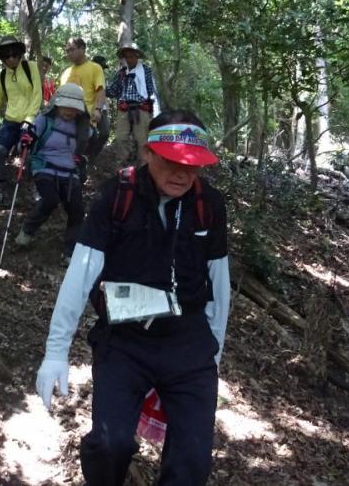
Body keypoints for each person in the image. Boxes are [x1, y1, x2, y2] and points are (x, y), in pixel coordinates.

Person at [35, 110, 230, 485]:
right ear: (147, 153)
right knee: (109, 445)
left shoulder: (209, 205)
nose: (182, 174)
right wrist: (55, 351)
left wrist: (214, 352)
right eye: (172, 161)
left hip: (189, 344)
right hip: (125, 339)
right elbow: (82, 272)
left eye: (193, 166)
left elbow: (218, 283)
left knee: (191, 464)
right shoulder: (118, 195)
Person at [14, 83, 91, 261]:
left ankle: (70, 251)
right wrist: (26, 141)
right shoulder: (44, 119)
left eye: (74, 108)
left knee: (77, 210)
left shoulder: (81, 126)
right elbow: (25, 144)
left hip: (69, 171)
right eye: (66, 106)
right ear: (57, 103)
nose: (70, 111)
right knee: (50, 200)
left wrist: (81, 160)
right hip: (44, 165)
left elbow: (83, 148)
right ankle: (27, 231)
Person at [0, 36, 42, 206]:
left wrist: (30, 119)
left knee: (25, 150)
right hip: (10, 121)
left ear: (19, 54)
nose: (11, 58)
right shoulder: (2, 76)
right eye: (6, 55)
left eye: (14, 54)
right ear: (2, 58)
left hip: (29, 120)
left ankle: (35, 187)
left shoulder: (31, 67)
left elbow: (37, 96)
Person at [60, 37, 110, 172]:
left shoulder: (95, 68)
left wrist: (98, 109)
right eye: (67, 51)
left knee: (84, 139)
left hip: (85, 114)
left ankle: (80, 165)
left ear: (82, 49)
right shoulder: (65, 73)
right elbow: (60, 95)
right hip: (66, 113)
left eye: (72, 50)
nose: (69, 53)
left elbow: (100, 90)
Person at [105, 43, 160, 165]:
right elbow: (113, 90)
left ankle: (144, 166)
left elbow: (151, 91)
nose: (129, 59)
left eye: (131, 56)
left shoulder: (146, 71)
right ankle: (124, 165)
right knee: (120, 138)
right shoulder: (122, 73)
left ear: (137, 56)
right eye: (126, 57)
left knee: (142, 140)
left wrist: (154, 110)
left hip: (141, 107)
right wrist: (99, 87)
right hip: (124, 108)